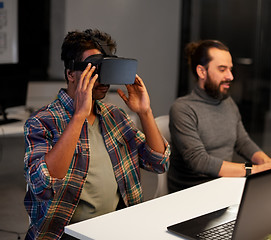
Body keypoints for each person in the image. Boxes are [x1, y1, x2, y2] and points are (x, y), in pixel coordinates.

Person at [23, 29, 170, 239]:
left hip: (117, 226)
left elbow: (159, 163)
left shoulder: (115, 116)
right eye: (94, 68)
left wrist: (145, 112)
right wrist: (79, 115)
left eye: (106, 67)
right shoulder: (42, 121)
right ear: (70, 74)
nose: (102, 78)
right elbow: (43, 185)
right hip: (65, 234)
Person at [167, 39, 271, 192]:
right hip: (194, 192)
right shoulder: (182, 108)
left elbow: (243, 142)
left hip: (224, 185)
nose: (230, 76)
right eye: (222, 69)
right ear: (202, 71)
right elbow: (199, 161)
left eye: (230, 69)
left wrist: (268, 163)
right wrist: (253, 169)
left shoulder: (227, 102)